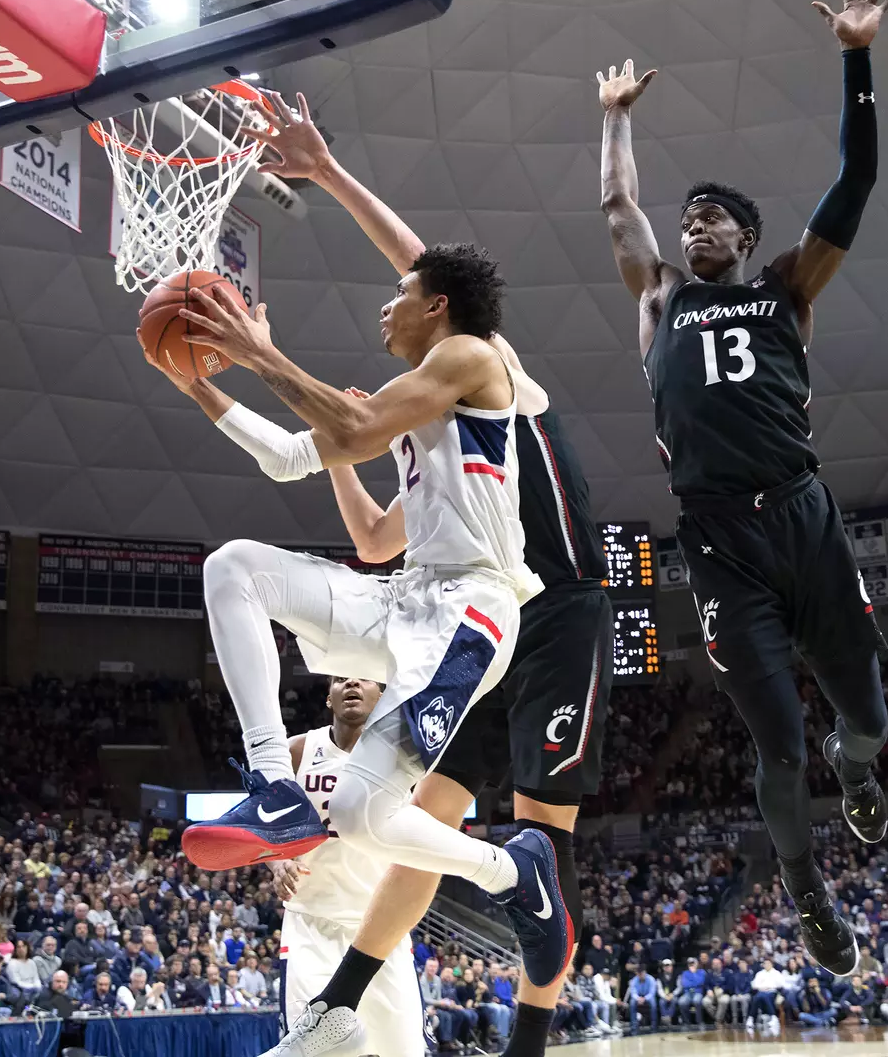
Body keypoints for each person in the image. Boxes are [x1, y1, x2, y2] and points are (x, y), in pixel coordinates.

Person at [215, 90, 615, 1057]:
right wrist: (329, 438)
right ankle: (335, 1003)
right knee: (403, 816)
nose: (384, 303)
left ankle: (527, 1033)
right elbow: (376, 539)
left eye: (405, 298)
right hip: (439, 608)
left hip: (549, 607)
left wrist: (327, 180)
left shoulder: (481, 356)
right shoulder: (423, 420)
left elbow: (422, 267)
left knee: (538, 835)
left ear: (438, 312)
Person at [596, 0, 888, 977]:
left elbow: (854, 185)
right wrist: (616, 119)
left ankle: (858, 772)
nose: (695, 221)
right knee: (776, 743)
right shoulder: (661, 297)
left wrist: (856, 60)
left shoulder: (786, 287)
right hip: (721, 540)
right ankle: (808, 892)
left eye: (715, 213)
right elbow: (616, 208)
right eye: (690, 213)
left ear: (749, 236)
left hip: (804, 518)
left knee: (867, 715)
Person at [257, 676, 423, 1056]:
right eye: (338, 677)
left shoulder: (406, 757)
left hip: (381, 927)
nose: (350, 681)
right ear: (329, 698)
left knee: (403, 1049)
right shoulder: (297, 751)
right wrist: (277, 860)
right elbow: (262, 823)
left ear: (381, 696)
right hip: (311, 925)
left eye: (363, 676)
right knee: (318, 1050)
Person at [625, 963, 657, 1034]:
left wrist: (644, 998)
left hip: (648, 997)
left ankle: (654, 1025)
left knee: (653, 1003)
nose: (640, 975)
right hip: (638, 998)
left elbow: (652, 993)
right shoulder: (634, 980)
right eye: (639, 973)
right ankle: (634, 1025)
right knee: (632, 1002)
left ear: (645, 972)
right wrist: (638, 998)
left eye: (642, 973)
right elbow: (633, 993)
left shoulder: (651, 979)